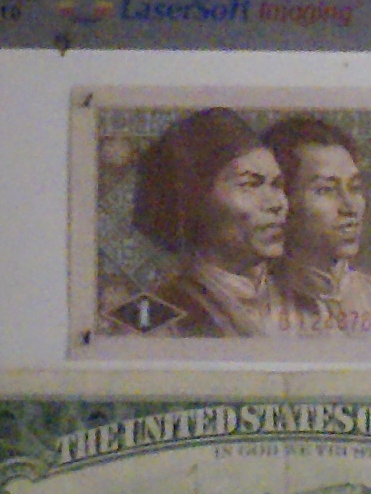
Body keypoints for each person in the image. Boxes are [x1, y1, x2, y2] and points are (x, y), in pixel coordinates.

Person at [101, 106, 294, 337]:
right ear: (196, 199)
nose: (277, 203)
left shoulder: (308, 304)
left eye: (277, 185)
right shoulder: (149, 319)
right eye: (250, 185)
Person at [261, 114, 371, 334]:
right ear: (283, 200)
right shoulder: (253, 308)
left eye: (354, 188)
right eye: (326, 190)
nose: (349, 207)